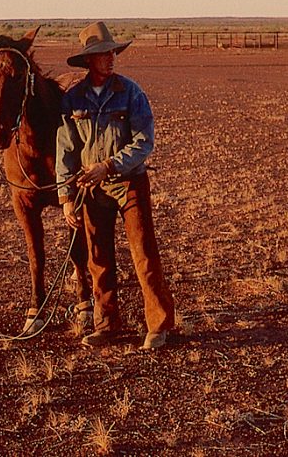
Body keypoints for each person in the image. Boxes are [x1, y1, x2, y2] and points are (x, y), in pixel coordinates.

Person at [56, 21, 175, 350]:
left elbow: (143, 141)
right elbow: (65, 150)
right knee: (99, 259)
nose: (110, 59)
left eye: (111, 53)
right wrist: (66, 197)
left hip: (129, 182)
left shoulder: (131, 92)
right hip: (92, 190)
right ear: (88, 61)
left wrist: (107, 165)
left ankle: (159, 325)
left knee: (144, 254)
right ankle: (106, 324)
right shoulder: (73, 100)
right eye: (102, 54)